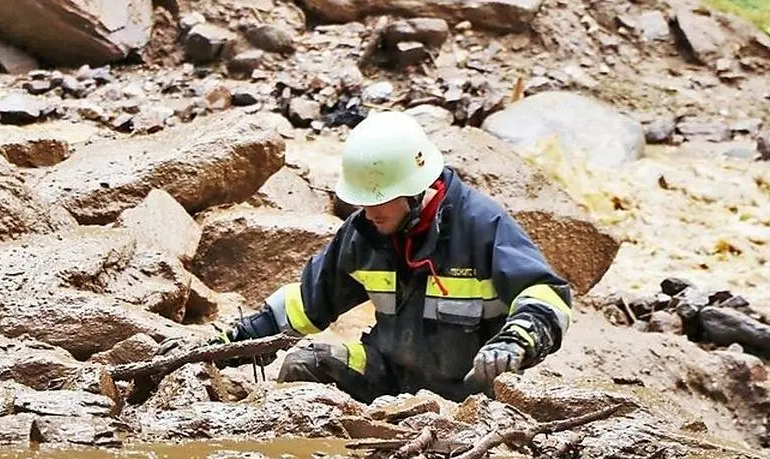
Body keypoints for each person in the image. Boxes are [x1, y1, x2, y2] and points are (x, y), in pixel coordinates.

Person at [175, 110, 573, 403]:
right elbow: (305, 305)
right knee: (303, 363)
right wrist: (221, 347)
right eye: (362, 200)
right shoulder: (364, 234)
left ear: (416, 190)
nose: (368, 212)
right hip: (387, 375)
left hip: (467, 392)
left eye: (378, 199)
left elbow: (547, 295)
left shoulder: (481, 224)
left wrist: (514, 343)